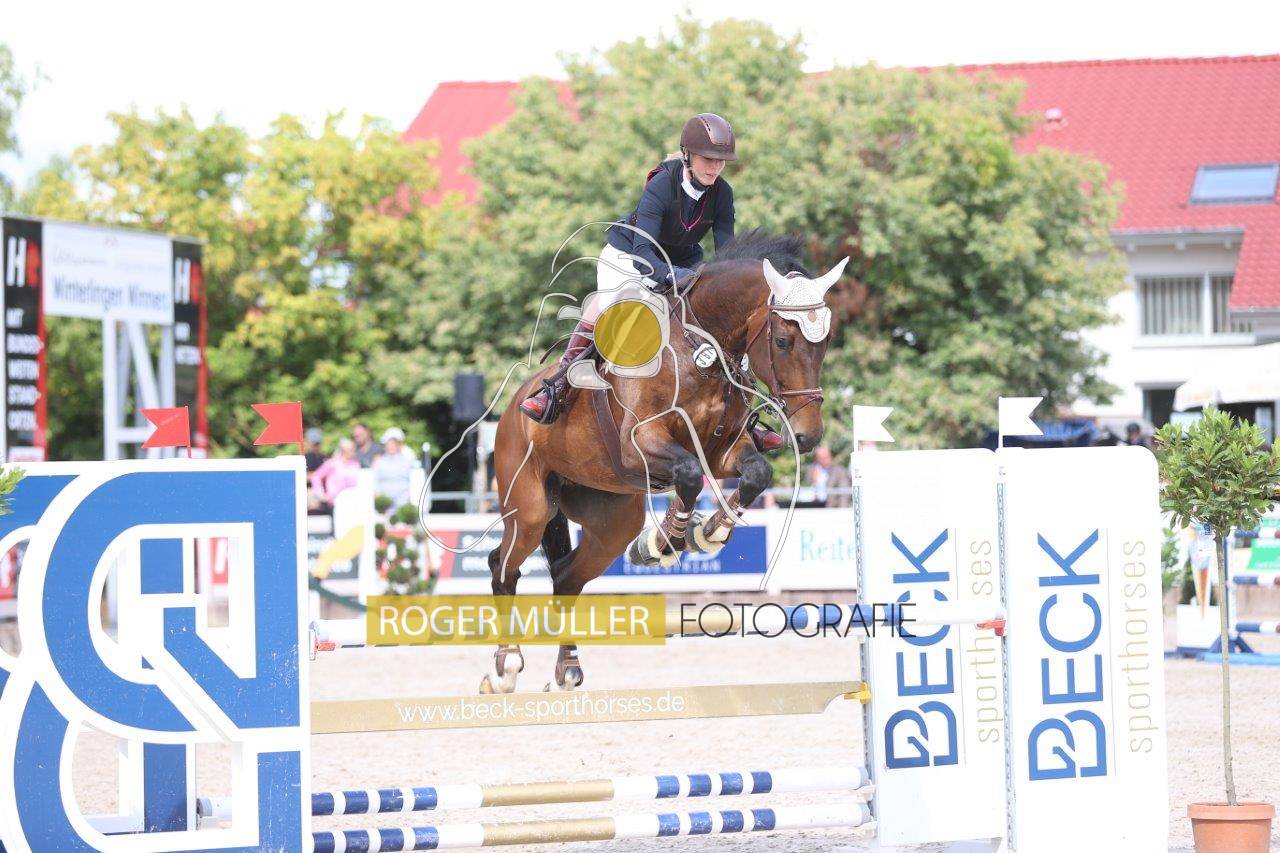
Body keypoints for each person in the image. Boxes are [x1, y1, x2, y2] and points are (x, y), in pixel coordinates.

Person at [519, 113, 783, 453]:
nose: (715, 167)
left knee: (729, 324)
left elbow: (726, 253)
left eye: (721, 161)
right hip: (629, 256)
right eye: (708, 159)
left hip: (683, 261)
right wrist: (673, 277)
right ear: (687, 155)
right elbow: (644, 251)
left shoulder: (722, 193)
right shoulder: (662, 184)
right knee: (611, 308)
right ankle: (558, 387)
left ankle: (745, 416)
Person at [372, 427, 417, 511]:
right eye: (388, 444)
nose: (391, 446)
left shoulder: (407, 458)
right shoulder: (379, 461)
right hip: (385, 502)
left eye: (394, 443)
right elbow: (375, 481)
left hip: (403, 500)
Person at [310, 438, 362, 509]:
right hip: (334, 503)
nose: (354, 452)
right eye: (351, 450)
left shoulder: (356, 464)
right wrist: (320, 494)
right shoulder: (332, 463)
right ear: (344, 450)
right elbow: (316, 476)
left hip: (352, 502)